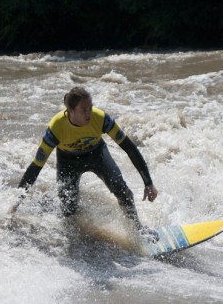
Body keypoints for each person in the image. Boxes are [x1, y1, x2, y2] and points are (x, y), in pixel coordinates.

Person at [10, 86, 158, 237]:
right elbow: (36, 167)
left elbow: (129, 147)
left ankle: (138, 231)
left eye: (90, 107)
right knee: (69, 208)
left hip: (97, 155)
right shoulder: (56, 128)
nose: (89, 113)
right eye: (84, 109)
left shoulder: (100, 118)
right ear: (71, 110)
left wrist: (148, 182)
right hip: (68, 162)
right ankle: (77, 242)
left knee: (124, 193)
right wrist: (16, 203)